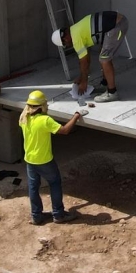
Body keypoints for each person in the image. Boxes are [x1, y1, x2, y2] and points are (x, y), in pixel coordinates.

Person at [19, 90, 85, 225]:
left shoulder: (24, 118)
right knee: (54, 184)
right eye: (45, 104)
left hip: (30, 160)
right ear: (41, 106)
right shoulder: (45, 120)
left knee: (33, 187)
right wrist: (76, 116)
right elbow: (65, 130)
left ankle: (36, 216)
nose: (47, 106)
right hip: (44, 160)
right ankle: (58, 214)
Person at [51, 11, 129, 103]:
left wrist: (84, 82)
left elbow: (84, 62)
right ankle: (105, 83)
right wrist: (81, 77)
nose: (68, 46)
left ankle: (112, 93)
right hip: (118, 22)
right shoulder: (75, 29)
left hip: (117, 26)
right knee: (102, 53)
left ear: (65, 39)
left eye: (65, 45)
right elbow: (86, 58)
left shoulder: (76, 39)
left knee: (104, 59)